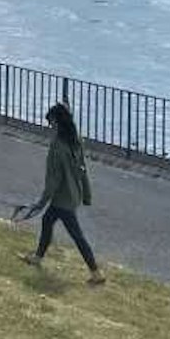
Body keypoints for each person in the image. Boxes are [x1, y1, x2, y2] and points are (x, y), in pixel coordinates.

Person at [19, 102, 106, 284]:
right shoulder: (75, 140)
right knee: (47, 221)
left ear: (58, 122)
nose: (51, 127)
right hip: (73, 194)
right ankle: (38, 257)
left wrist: (40, 203)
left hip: (62, 199)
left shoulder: (57, 146)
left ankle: (95, 272)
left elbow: (53, 179)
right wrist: (87, 194)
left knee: (76, 234)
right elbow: (83, 170)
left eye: (51, 123)